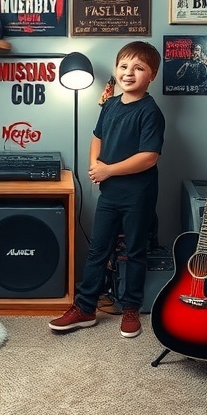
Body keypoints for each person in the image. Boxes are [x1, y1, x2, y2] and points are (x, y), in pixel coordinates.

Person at [49, 41, 164, 339]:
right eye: (124, 66)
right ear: (116, 69)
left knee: (135, 251)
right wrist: (94, 166)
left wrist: (109, 170)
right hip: (110, 194)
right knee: (97, 250)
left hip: (138, 195)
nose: (129, 73)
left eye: (138, 68)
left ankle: (130, 308)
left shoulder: (150, 112)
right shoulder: (110, 104)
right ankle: (85, 307)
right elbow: (97, 137)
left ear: (151, 76)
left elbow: (149, 157)